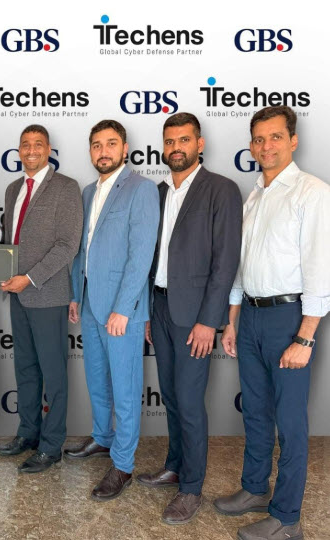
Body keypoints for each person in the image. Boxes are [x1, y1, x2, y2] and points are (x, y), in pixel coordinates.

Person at [214, 106, 330, 540]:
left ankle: (287, 518)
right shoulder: (254, 196)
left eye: (276, 137)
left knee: (291, 423)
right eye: (259, 139)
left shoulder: (312, 192)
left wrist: (306, 338)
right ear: (251, 145)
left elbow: (320, 268)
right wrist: (231, 321)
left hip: (289, 319)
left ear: (293, 140)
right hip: (250, 317)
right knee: (256, 412)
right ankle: (255, 489)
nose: (266, 146)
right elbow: (242, 267)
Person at [137, 112, 242, 524]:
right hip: (161, 307)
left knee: (190, 401)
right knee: (171, 395)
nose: (176, 147)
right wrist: (148, 311)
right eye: (169, 141)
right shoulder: (159, 192)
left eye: (184, 140)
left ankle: (192, 488)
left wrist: (208, 321)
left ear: (200, 144)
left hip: (194, 316)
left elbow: (225, 261)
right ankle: (175, 465)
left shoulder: (221, 189)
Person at [65, 120, 159, 500]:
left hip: (122, 310)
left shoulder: (142, 189)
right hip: (90, 304)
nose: (103, 151)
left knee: (125, 389)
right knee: (97, 381)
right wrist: (76, 295)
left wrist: (124, 308)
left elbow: (141, 255)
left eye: (111, 144)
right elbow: (82, 250)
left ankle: (123, 464)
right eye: (96, 145)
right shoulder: (88, 192)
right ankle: (102, 438)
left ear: (125, 149)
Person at [0, 124, 83, 473]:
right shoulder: (13, 188)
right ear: (19, 150)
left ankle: (51, 445)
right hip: (16, 295)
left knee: (53, 374)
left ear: (48, 150)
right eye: (25, 144)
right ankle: (28, 433)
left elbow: (67, 245)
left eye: (38, 144)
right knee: (25, 369)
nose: (31, 150)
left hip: (47, 294)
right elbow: (11, 242)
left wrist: (29, 279)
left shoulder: (66, 187)